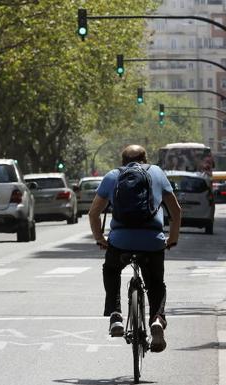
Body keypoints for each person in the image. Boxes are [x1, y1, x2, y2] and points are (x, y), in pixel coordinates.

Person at [88, 145, 181, 353]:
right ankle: (157, 319)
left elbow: (93, 214)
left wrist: (100, 239)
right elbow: (176, 211)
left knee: (111, 270)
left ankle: (115, 315)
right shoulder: (156, 172)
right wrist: (172, 238)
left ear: (122, 161)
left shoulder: (112, 176)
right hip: (152, 241)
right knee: (156, 284)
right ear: (145, 159)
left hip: (120, 241)